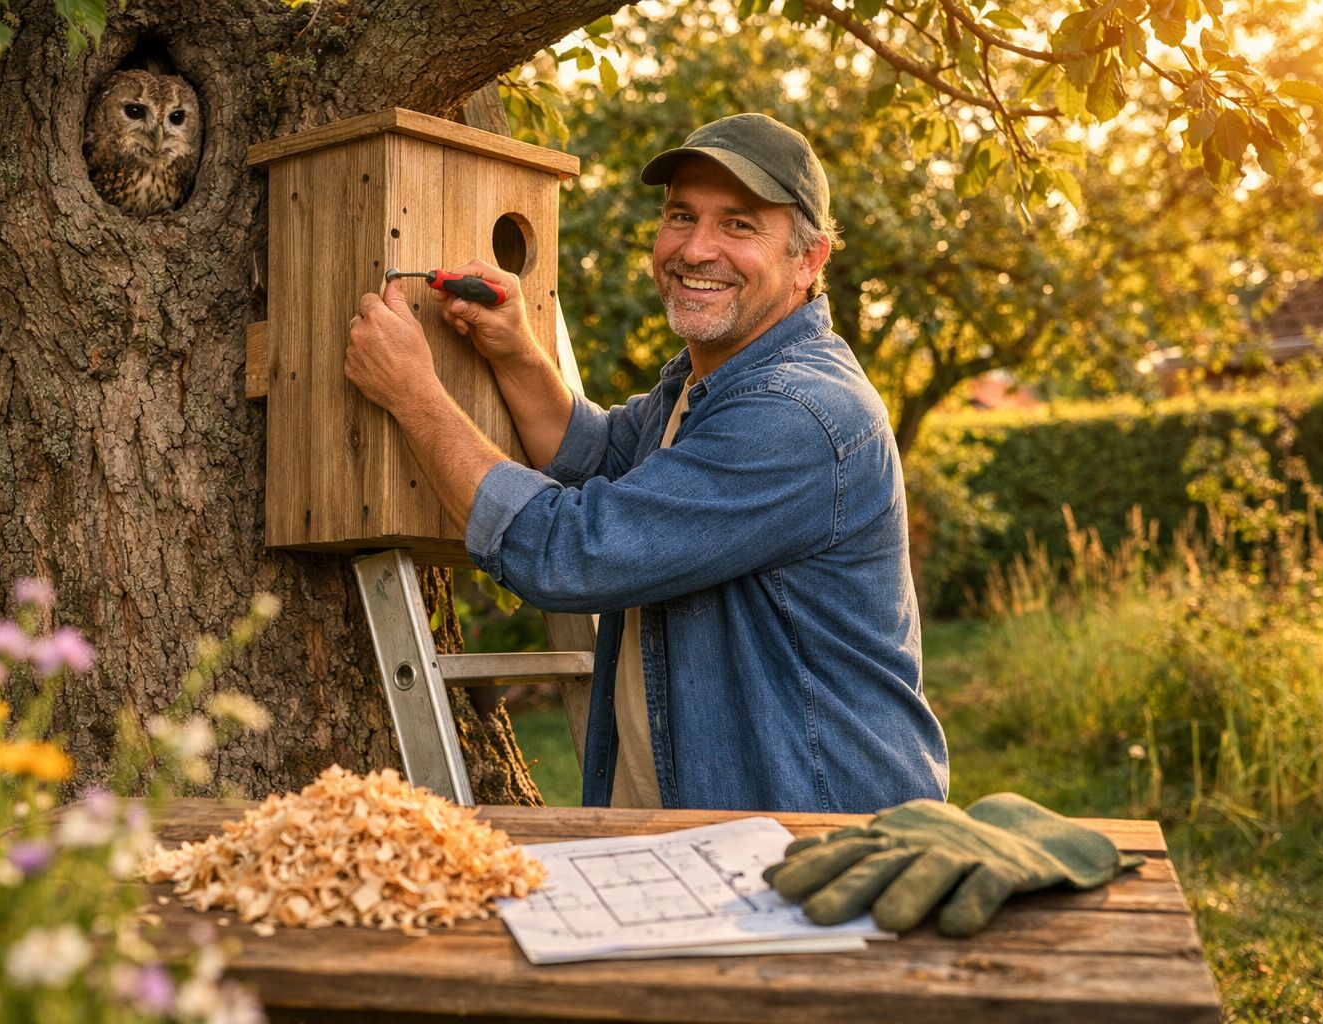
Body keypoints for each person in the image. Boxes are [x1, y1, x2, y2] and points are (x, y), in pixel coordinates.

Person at [345, 113, 948, 813]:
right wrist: (515, 350)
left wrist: (415, 396)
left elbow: (572, 551)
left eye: (739, 226)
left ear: (809, 260)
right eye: (681, 216)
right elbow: (597, 457)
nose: (695, 250)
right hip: (703, 829)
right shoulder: (704, 383)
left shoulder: (797, 414)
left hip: (811, 841)